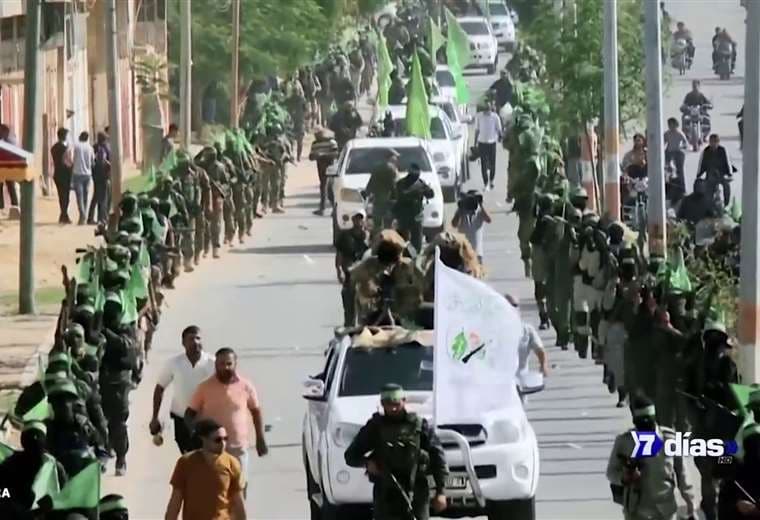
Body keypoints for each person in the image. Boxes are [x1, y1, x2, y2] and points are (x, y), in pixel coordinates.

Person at [344, 383, 448, 520]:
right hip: (386, 495)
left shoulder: (419, 426)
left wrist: (441, 492)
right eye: (388, 404)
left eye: (396, 404)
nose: (393, 408)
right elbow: (350, 456)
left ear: (404, 401)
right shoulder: (375, 427)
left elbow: (438, 458)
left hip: (416, 492)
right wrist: (367, 463)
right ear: (382, 404)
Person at [185, 348, 269, 493]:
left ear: (235, 364)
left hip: (238, 447)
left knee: (239, 487)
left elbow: (256, 412)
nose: (225, 367)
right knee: (215, 489)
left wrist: (260, 439)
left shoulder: (246, 386)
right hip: (213, 448)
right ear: (215, 365)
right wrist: (197, 436)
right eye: (221, 364)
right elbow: (189, 414)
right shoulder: (204, 387)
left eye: (229, 364)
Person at [606, 393, 696, 520]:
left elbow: (682, 473)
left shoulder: (669, 440)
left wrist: (690, 502)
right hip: (635, 509)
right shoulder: (625, 442)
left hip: (665, 508)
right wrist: (624, 477)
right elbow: (611, 472)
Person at [150, 325, 214, 454]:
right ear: (183, 343)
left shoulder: (212, 362)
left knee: (206, 457)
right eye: (191, 339)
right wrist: (155, 417)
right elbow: (160, 388)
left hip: (205, 418)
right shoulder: (174, 363)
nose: (195, 342)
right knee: (187, 456)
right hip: (181, 418)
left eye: (198, 338)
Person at [165, 419, 246, 520]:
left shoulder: (231, 463)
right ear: (204, 439)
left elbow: (238, 503)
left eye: (225, 439)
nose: (223, 443)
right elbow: (175, 501)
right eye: (217, 440)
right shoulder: (186, 463)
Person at [0, 421, 67, 519]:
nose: (35, 438)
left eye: (38, 436)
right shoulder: (11, 462)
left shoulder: (53, 466)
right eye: (31, 436)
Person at [335, 210, 370, 327]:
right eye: (356, 218)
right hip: (350, 272)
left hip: (365, 274)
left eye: (361, 219)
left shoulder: (368, 236)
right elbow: (339, 253)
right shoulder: (345, 236)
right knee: (349, 301)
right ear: (353, 220)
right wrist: (339, 270)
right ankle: (349, 325)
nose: (359, 221)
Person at [393, 163, 434, 253]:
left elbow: (431, 195)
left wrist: (427, 191)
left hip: (417, 216)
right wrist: (415, 193)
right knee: (403, 238)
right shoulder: (401, 183)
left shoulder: (421, 183)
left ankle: (415, 255)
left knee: (417, 240)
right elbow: (401, 196)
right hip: (404, 215)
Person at [451, 189, 491, 265]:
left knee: (477, 271)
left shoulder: (480, 211)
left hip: (477, 252)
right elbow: (454, 224)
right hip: (464, 251)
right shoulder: (462, 211)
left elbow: (489, 220)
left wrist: (480, 204)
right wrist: (460, 208)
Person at [365, 149, 400, 232]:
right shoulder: (392, 169)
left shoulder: (377, 168)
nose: (396, 159)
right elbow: (393, 185)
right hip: (389, 199)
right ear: (391, 157)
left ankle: (377, 236)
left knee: (377, 223)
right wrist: (397, 196)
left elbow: (371, 183)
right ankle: (386, 236)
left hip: (378, 199)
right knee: (388, 222)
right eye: (395, 157)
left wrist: (367, 193)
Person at [697, 134, 734, 206]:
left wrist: (730, 174)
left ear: (718, 142)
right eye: (711, 142)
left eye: (715, 142)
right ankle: (709, 206)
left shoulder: (723, 150)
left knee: (726, 186)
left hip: (722, 174)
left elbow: (728, 162)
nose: (713, 144)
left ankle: (726, 204)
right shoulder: (706, 151)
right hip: (710, 174)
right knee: (708, 189)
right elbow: (701, 163)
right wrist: (699, 174)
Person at [308, 127, 339, 216]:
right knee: (323, 187)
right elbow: (311, 156)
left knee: (330, 188)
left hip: (330, 167)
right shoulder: (315, 144)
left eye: (318, 134)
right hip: (320, 167)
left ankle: (335, 209)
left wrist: (323, 155)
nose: (316, 136)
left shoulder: (331, 142)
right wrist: (315, 156)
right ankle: (322, 208)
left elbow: (335, 154)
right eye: (315, 134)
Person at [474, 102, 502, 191]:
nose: (487, 112)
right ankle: (486, 183)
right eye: (486, 110)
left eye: (488, 110)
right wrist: (475, 142)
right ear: (483, 110)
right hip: (482, 143)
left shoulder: (495, 117)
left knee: (492, 163)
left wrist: (500, 137)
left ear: (491, 109)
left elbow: (499, 129)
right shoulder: (479, 117)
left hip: (492, 143)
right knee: (483, 164)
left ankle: (491, 180)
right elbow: (477, 130)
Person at [71, 131, 95, 225]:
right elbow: (93, 161)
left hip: (77, 173)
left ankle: (82, 215)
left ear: (80, 137)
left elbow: (71, 158)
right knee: (85, 196)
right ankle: (83, 214)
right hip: (87, 174)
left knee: (79, 196)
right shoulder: (90, 148)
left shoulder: (76, 146)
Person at [88, 131, 111, 225]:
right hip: (104, 175)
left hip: (96, 175)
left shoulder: (94, 147)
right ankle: (102, 218)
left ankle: (91, 217)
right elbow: (109, 161)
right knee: (104, 197)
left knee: (96, 196)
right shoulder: (106, 148)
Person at [51, 127, 73, 224]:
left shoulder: (53, 147)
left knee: (61, 196)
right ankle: (64, 215)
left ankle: (64, 215)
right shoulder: (65, 149)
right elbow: (67, 162)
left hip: (57, 173)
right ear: (64, 136)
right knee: (66, 197)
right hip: (65, 174)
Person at [664, 118, 688, 195]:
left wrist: (682, 147)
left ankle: (682, 189)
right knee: (667, 170)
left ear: (676, 125)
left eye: (672, 124)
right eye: (669, 125)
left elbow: (686, 143)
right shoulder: (667, 134)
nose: (671, 126)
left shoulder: (680, 133)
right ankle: (668, 189)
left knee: (680, 171)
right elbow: (663, 142)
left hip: (678, 152)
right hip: (669, 152)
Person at [0, 123, 19, 211]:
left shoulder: (8, 141)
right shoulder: (11, 140)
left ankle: (5, 206)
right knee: (11, 186)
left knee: (9, 186)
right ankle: (15, 205)